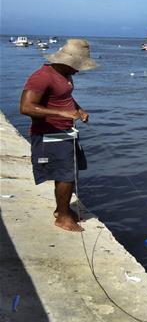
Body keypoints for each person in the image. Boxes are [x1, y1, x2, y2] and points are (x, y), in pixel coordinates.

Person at [19, 39, 97, 232]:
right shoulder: (42, 77)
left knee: (68, 174)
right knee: (66, 175)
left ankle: (60, 210)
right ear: (66, 62)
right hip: (49, 134)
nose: (78, 70)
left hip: (65, 132)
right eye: (77, 66)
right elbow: (25, 107)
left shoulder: (65, 75)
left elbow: (64, 97)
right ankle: (63, 217)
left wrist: (79, 110)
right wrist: (61, 114)